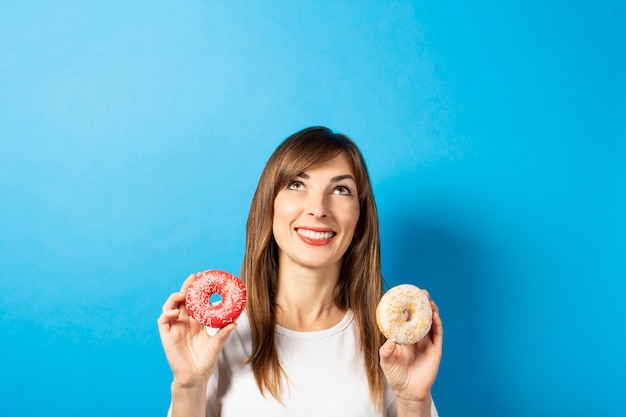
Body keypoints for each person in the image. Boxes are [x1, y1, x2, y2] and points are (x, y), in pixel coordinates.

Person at [158, 126, 443, 417]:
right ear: (269, 204)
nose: (318, 208)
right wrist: (189, 385)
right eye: (297, 184)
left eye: (341, 189)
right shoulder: (218, 337)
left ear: (360, 218)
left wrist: (413, 401)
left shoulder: (390, 345)